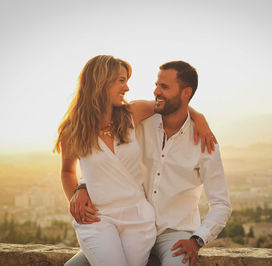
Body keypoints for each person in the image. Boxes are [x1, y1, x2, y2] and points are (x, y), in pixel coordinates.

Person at [54, 55, 216, 266]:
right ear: (102, 81)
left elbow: (170, 104)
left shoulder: (132, 113)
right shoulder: (72, 129)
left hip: (138, 219)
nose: (127, 88)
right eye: (121, 80)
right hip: (97, 219)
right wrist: (76, 193)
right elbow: (67, 171)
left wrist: (199, 117)